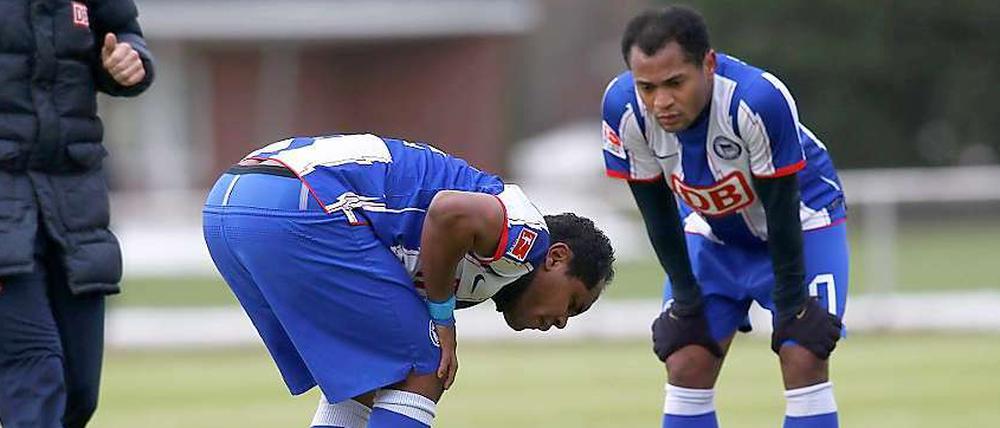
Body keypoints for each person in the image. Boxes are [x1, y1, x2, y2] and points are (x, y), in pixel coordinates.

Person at [202, 133, 615, 427]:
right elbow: (448, 209)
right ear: (557, 259)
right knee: (425, 366)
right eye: (574, 304)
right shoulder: (529, 237)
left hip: (228, 204)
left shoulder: (485, 273)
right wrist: (442, 317)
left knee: (372, 380)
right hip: (295, 203)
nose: (561, 322)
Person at [601, 6, 847, 428]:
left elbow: (782, 207)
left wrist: (791, 302)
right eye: (647, 87)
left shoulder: (758, 100)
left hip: (802, 223)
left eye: (675, 83)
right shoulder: (623, 109)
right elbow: (657, 211)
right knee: (686, 359)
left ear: (708, 64)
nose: (661, 102)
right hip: (711, 228)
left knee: (803, 354)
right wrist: (686, 297)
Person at [0, 1, 155, 427]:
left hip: (74, 204)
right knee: (35, 374)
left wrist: (127, 59)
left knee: (77, 390)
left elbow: (124, 34)